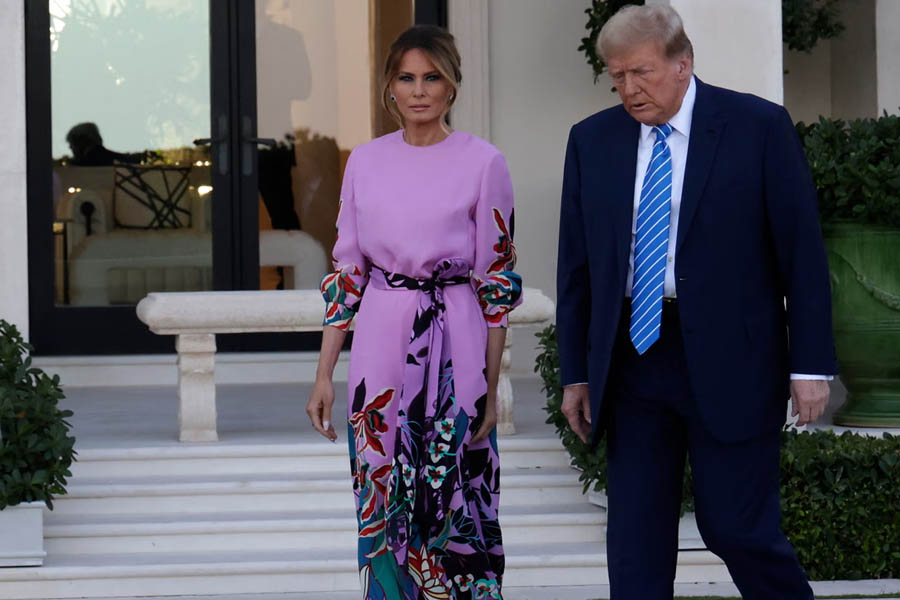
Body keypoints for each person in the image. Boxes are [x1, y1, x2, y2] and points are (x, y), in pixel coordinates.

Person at [555, 5, 837, 599]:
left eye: (642, 72)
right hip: (635, 354)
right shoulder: (591, 140)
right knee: (634, 547)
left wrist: (809, 366)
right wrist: (576, 373)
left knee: (737, 528)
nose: (629, 89)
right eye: (617, 76)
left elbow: (802, 256)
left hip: (734, 357)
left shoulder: (757, 126)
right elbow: (578, 269)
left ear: (683, 64)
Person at [306, 25, 521, 600]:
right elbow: (347, 273)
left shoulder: (484, 162)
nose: (420, 90)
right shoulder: (365, 163)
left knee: (461, 495)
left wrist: (491, 386)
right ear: (389, 88)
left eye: (432, 78)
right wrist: (325, 373)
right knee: (379, 493)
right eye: (407, 77)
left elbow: (497, 286)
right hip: (379, 341)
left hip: (457, 341)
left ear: (452, 87)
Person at [65, 122, 144, 166]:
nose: (70, 147)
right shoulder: (112, 157)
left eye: (72, 143)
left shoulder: (84, 163)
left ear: (81, 141)